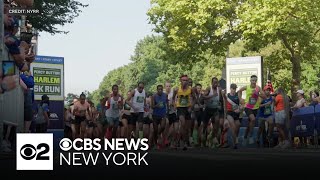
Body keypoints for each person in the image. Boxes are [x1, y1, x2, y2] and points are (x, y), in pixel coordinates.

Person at [238, 75, 265, 145]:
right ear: (250, 81)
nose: (254, 82)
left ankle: (245, 137)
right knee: (253, 119)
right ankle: (251, 136)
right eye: (252, 80)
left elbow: (264, 96)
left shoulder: (258, 88)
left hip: (255, 108)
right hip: (248, 107)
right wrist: (240, 99)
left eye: (255, 80)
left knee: (250, 124)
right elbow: (239, 91)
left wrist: (257, 94)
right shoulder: (247, 87)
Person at [173, 75, 193, 150]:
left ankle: (182, 142)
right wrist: (174, 105)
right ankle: (178, 142)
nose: (185, 82)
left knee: (186, 128)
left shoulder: (190, 89)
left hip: (187, 109)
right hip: (180, 108)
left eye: (186, 80)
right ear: (180, 81)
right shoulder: (177, 89)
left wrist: (191, 106)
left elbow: (193, 98)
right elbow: (173, 98)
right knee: (183, 123)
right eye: (183, 80)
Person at [203, 77, 224, 147]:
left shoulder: (219, 89)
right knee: (205, 125)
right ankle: (205, 138)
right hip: (208, 110)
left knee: (217, 123)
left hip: (215, 110)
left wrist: (220, 104)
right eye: (214, 82)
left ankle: (213, 137)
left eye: (216, 82)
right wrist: (212, 96)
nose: (215, 84)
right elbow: (203, 97)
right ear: (212, 83)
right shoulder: (209, 89)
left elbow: (222, 100)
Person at [223, 83, 241, 149]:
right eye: (233, 88)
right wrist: (225, 116)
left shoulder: (237, 95)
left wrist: (240, 108)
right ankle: (235, 143)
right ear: (230, 88)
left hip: (236, 113)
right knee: (233, 126)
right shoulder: (227, 95)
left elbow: (240, 103)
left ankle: (235, 137)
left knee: (238, 125)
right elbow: (224, 104)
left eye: (235, 88)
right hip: (229, 113)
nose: (234, 90)